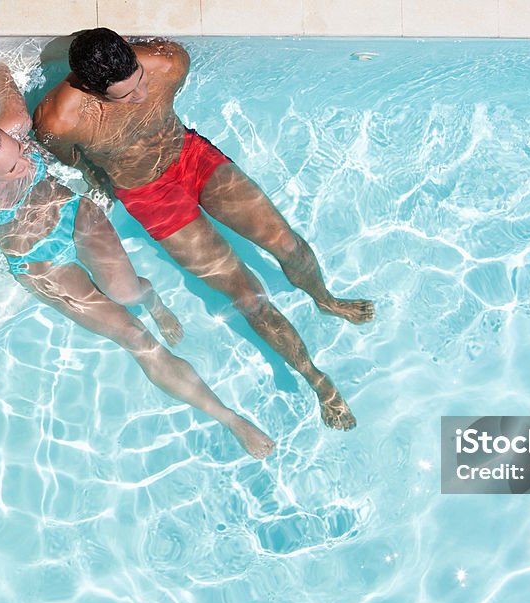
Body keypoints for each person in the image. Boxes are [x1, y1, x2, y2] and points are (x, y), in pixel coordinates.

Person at [0, 62, 274, 459]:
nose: (25, 160)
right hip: (36, 260)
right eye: (12, 167)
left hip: (74, 217)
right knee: (133, 337)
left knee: (127, 292)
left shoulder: (14, 126)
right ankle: (229, 418)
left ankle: (153, 301)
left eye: (19, 150)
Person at [32, 28, 374, 431]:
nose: (140, 96)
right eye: (125, 96)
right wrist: (100, 177)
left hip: (191, 157)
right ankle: (317, 380)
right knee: (247, 296)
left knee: (288, 245)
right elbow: (70, 158)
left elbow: (152, 88)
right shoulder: (60, 119)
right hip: (147, 193)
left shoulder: (168, 62)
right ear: (91, 87)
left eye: (140, 82)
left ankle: (326, 298)